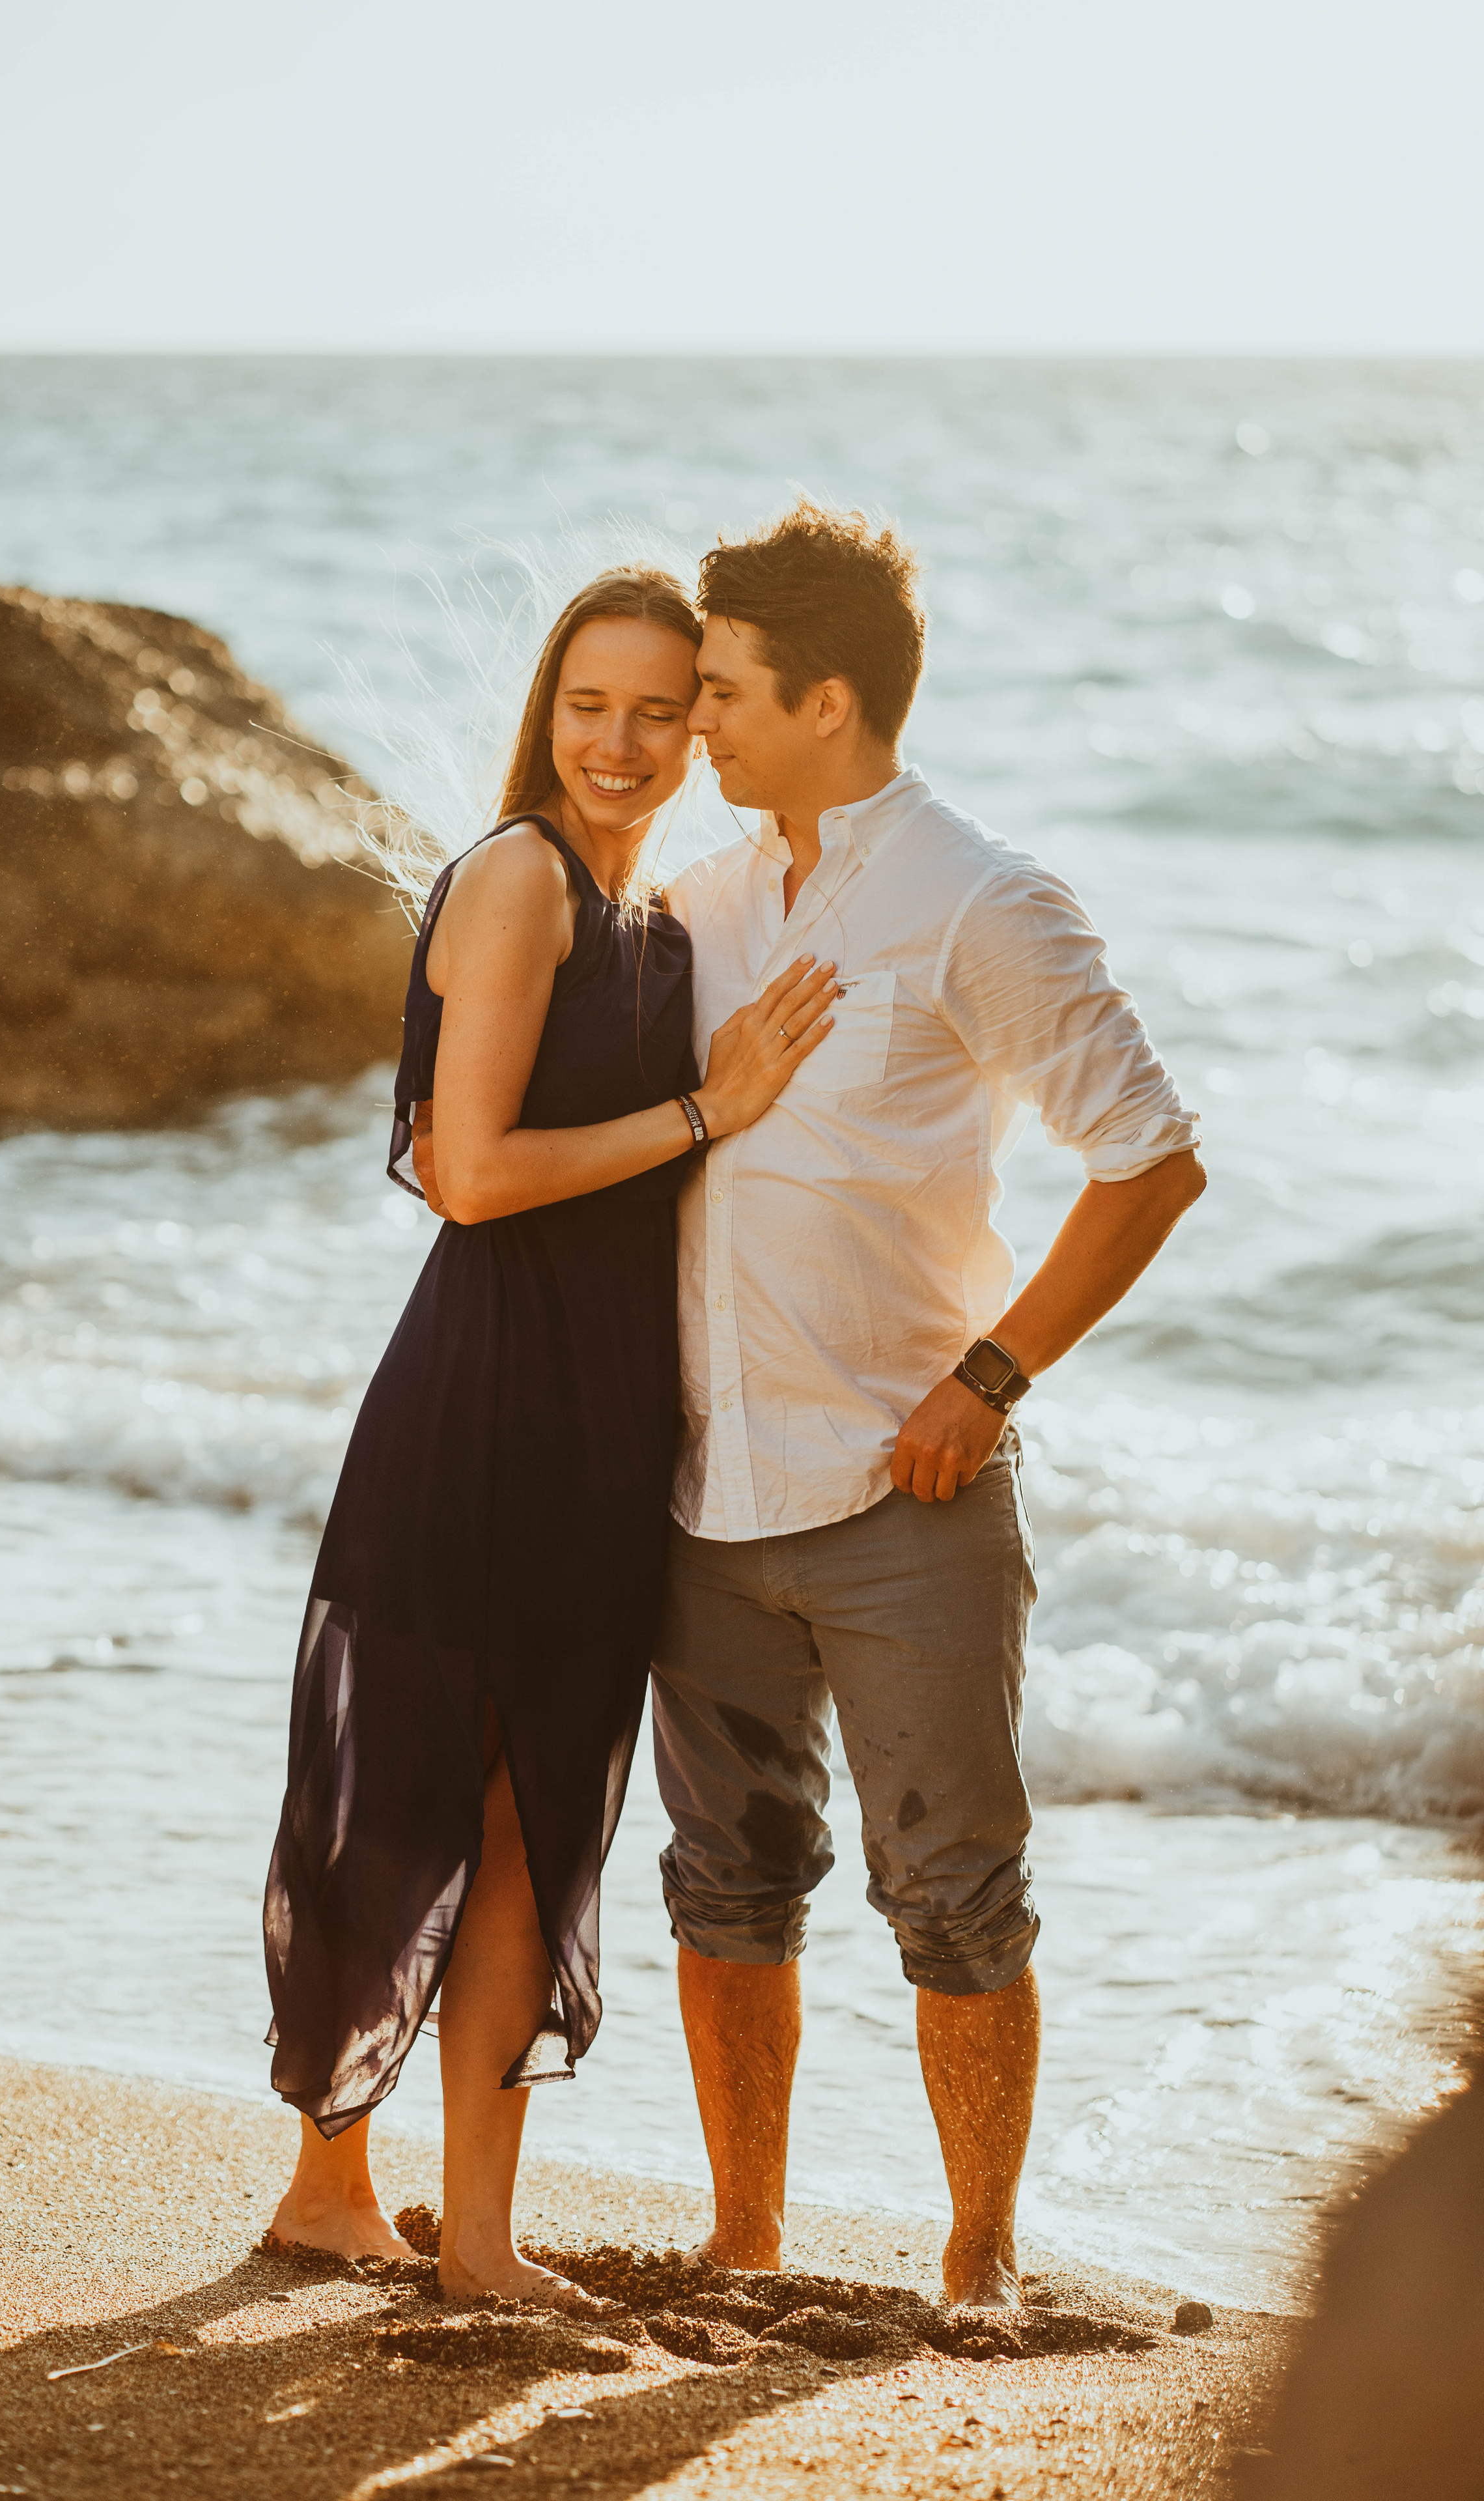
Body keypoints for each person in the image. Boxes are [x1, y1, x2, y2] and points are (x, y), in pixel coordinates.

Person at [261, 565, 837, 2310]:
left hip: (603, 1423)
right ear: (547, 709)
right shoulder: (518, 879)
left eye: (661, 708)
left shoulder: (654, 907)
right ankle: (327, 2183)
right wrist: (701, 1109)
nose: (622, 738)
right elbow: (469, 1168)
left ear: (706, 723)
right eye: (591, 702)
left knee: (533, 1825)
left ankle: (479, 2239)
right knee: (412, 1799)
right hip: (482, 1400)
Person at [656, 501, 1205, 2310]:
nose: (693, 724)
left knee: (956, 1894)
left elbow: (1148, 1160)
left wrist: (991, 1375)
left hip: (906, 1493)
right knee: (725, 1884)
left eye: (723, 690)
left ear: (827, 698)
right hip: (702, 1489)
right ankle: (746, 2241)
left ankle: (978, 2263)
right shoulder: (705, 897)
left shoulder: (983, 896)